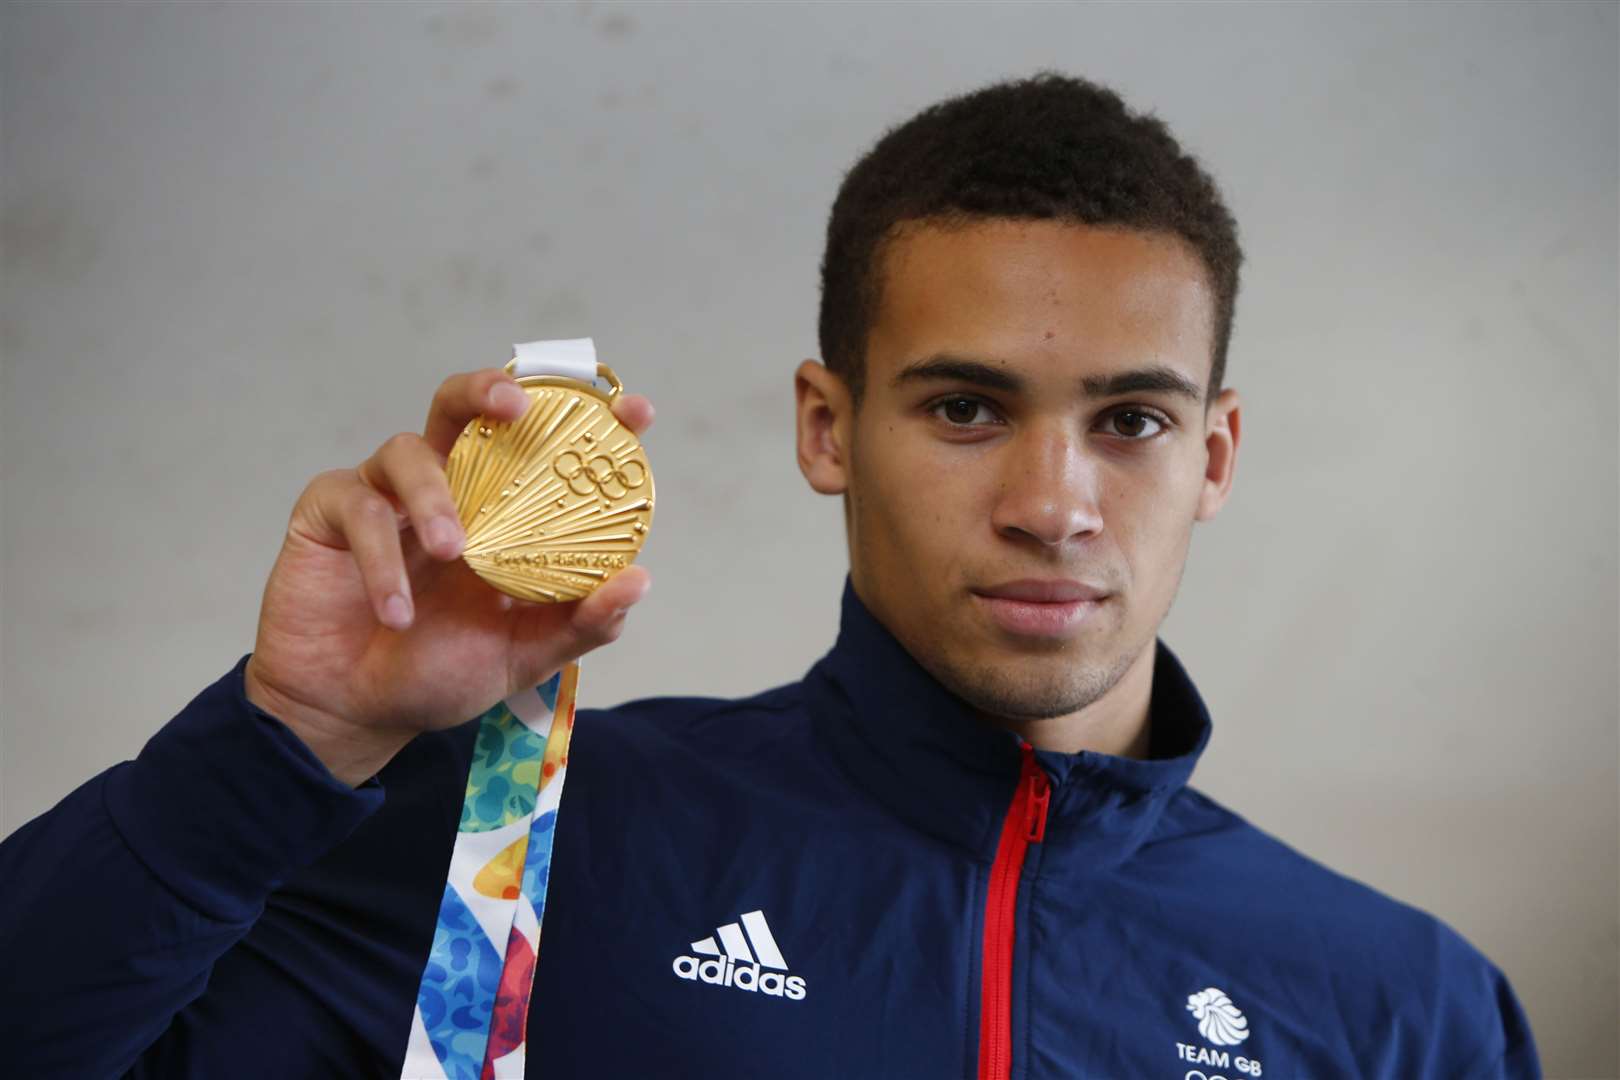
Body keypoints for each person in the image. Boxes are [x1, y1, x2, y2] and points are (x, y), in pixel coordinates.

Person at [0, 71, 1539, 1079]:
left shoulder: (1405, 1008)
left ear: (1214, 457)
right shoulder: (519, 849)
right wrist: (285, 736)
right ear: (827, 426)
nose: (1053, 504)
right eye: (965, 408)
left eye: (1131, 419)